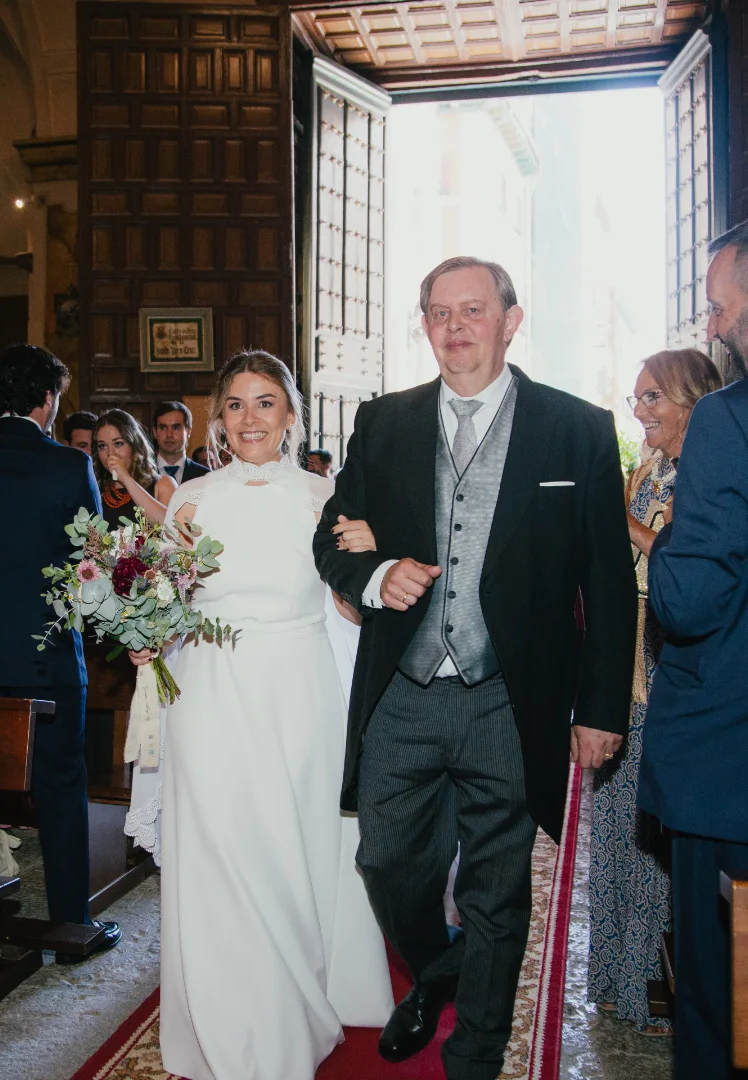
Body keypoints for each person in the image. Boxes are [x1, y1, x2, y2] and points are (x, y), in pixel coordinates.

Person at [311, 257, 632, 1079]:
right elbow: (331, 538)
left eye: (474, 310)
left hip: (509, 697)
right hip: (403, 691)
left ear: (511, 320)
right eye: (438, 313)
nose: (455, 328)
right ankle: (442, 966)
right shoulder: (384, 422)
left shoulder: (578, 428)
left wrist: (600, 709)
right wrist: (377, 575)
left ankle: (477, 1054)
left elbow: (606, 580)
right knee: (384, 858)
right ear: (424, 326)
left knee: (497, 888)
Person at [127, 351, 392, 1080]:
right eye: (237, 404)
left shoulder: (323, 497)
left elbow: (350, 605)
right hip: (212, 692)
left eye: (266, 403)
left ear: (291, 414)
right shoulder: (188, 502)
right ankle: (232, 1016)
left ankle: (303, 1000)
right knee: (220, 850)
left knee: (290, 846)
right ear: (219, 419)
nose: (251, 419)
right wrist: (138, 630)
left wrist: (370, 566)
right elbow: (163, 614)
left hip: (301, 689)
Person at [0, 343, 120, 960]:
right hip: (45, 654)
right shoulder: (66, 464)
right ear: (47, 398)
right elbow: (91, 556)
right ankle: (69, 929)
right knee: (61, 788)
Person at [638, 221, 748, 1080]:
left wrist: (665, 542)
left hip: (730, 755)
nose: (712, 327)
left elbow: (691, 597)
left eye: (721, 307)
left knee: (718, 994)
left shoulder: (727, 420)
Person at [588, 347, 721, 1037]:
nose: (639, 411)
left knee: (654, 834)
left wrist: (616, 522)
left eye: (651, 399)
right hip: (627, 659)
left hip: (673, 662)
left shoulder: (709, 476)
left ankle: (653, 984)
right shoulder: (647, 470)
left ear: (690, 401)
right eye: (636, 399)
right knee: (611, 821)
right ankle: (611, 977)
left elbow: (676, 558)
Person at [92, 409, 175, 523]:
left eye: (118, 443)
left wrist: (126, 479)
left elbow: (171, 527)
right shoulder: (95, 490)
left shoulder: (162, 485)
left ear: (134, 445)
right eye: (102, 446)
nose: (111, 453)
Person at [152, 400, 211, 484]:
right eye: (163, 427)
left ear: (188, 431)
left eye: (176, 427)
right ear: (155, 432)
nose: (169, 434)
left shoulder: (205, 476)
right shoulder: (140, 474)